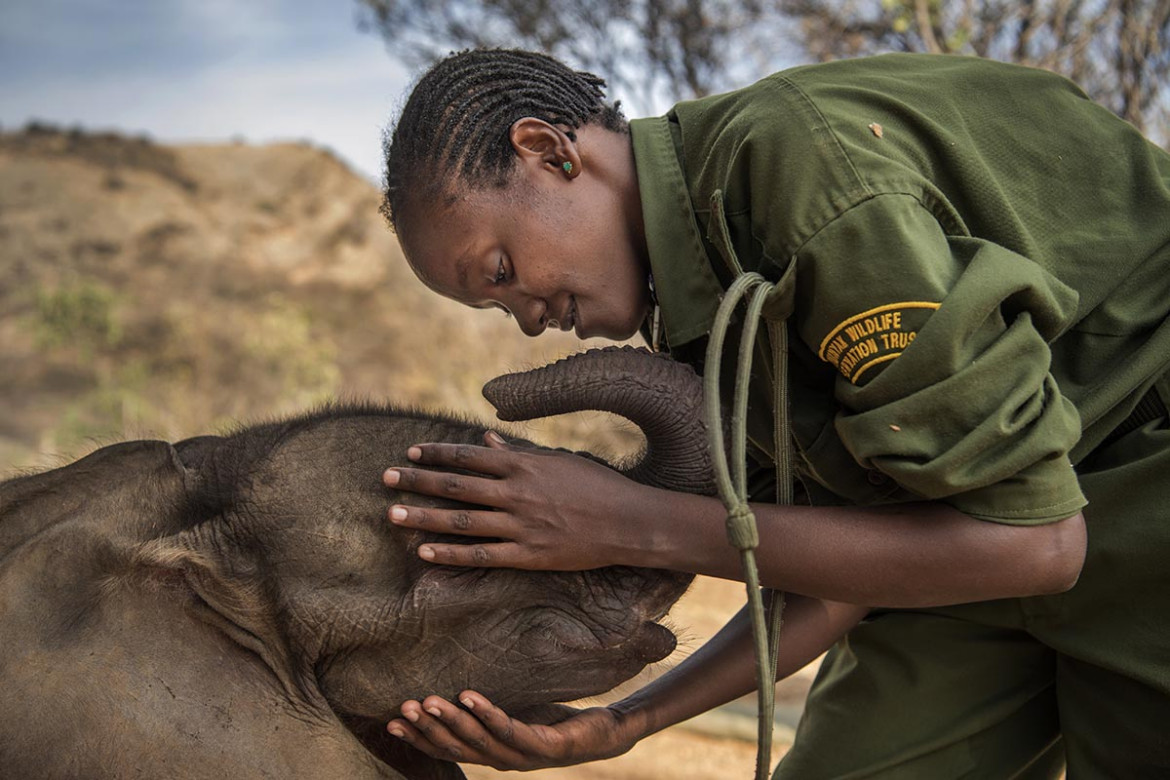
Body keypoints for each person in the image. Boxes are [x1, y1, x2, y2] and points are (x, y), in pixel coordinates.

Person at [376, 48, 1170, 777]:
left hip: (1137, 480)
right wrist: (627, 721)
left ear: (550, 152)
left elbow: (1037, 543)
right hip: (973, 536)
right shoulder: (699, 309)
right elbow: (842, 560)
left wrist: (626, 521)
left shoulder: (797, 176)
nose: (524, 318)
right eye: (493, 304)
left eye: (503, 269)